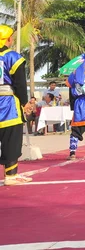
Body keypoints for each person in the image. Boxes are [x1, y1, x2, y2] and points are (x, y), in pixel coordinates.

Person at [0, 25, 31, 186]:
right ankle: (11, 175)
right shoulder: (13, 57)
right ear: (9, 39)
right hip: (7, 104)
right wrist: (25, 103)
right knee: (11, 138)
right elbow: (19, 83)